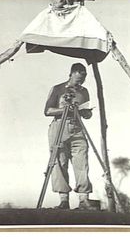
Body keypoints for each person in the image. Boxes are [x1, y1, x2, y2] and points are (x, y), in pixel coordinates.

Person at [44, 62, 96, 210]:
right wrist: (65, 109)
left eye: (83, 79)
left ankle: (84, 200)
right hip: (59, 127)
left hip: (77, 128)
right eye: (78, 78)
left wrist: (86, 113)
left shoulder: (84, 92)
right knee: (59, 162)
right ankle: (63, 201)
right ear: (72, 74)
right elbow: (47, 111)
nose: (80, 82)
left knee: (82, 161)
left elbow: (86, 112)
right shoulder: (58, 89)